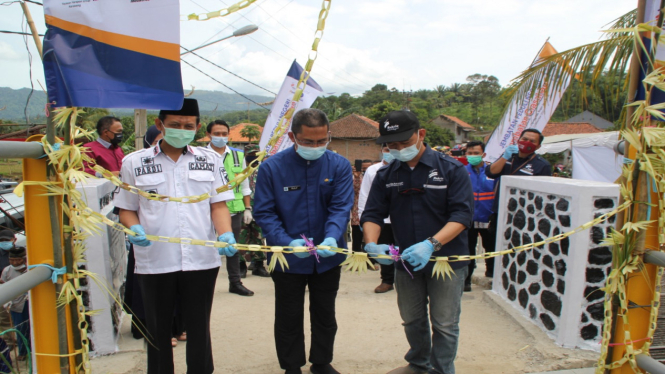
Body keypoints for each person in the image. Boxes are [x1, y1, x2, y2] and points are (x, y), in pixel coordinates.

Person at [115, 98, 236, 374]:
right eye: (175, 125)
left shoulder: (210, 160)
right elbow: (126, 209)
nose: (182, 130)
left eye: (188, 126)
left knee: (199, 328)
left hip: (201, 260)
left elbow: (218, 205)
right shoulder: (134, 162)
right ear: (160, 125)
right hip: (155, 260)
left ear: (197, 128)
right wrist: (134, 228)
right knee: (157, 331)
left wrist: (226, 233)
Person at [361, 110, 473, 374]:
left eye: (404, 143)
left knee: (444, 322)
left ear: (421, 134)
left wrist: (431, 244)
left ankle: (442, 369)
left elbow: (462, 214)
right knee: (412, 318)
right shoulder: (386, 175)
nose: (398, 149)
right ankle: (418, 363)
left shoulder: (451, 169)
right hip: (406, 261)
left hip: (447, 260)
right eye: (392, 145)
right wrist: (371, 243)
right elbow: (372, 213)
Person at [254, 108, 353, 374]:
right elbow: (264, 211)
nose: (316, 147)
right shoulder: (272, 168)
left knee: (325, 312)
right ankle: (291, 366)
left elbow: (341, 207)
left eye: (322, 141)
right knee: (288, 314)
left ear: (328, 136)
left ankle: (321, 362)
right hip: (287, 257)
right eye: (308, 142)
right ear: (293, 137)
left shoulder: (339, 165)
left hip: (328, 255)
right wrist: (285, 241)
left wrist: (332, 237)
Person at [206, 120, 262, 296]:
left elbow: (245, 184)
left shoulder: (238, 156)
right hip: (206, 208)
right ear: (209, 135)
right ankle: (204, 284)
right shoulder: (200, 155)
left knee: (233, 247)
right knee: (204, 246)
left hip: (234, 208)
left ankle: (235, 282)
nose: (221, 137)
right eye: (217, 133)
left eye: (224, 134)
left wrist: (247, 208)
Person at [485, 128, 551, 276]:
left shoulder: (541, 165)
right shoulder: (508, 157)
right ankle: (492, 275)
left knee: (517, 245)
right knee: (493, 244)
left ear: (538, 146)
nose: (527, 143)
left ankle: (514, 274)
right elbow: (490, 172)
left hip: (524, 215)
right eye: (524, 139)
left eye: (532, 141)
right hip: (500, 211)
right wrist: (505, 157)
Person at [358, 144, 396, 293]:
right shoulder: (373, 171)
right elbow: (365, 194)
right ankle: (387, 280)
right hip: (380, 220)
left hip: (400, 220)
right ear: (381, 151)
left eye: (392, 149)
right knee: (384, 251)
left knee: (403, 250)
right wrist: (364, 218)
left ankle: (406, 279)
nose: (389, 152)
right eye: (386, 150)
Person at [463, 141, 496, 291]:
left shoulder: (492, 172)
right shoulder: (462, 171)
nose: (472, 156)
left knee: (491, 248)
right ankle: (466, 280)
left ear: (483, 155)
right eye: (469, 153)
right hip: (468, 219)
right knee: (468, 250)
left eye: (476, 153)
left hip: (488, 218)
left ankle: (491, 275)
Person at [241, 145, 270, 275]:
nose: (253, 158)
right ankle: (241, 265)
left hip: (259, 206)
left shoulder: (263, 170)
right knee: (242, 236)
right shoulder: (240, 170)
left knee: (258, 236)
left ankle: (258, 265)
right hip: (242, 206)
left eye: (256, 155)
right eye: (251, 155)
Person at [0, 247, 30, 361]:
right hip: (15, 306)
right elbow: (4, 288)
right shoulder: (7, 271)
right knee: (21, 329)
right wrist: (7, 303)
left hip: (28, 304)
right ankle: (23, 352)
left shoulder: (30, 269)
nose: (15, 263)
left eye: (18, 260)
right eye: (12, 260)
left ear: (24, 259)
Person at [0, 231, 19, 346]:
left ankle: (23, 342)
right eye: (1, 241)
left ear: (14, 239)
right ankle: (10, 342)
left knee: (20, 316)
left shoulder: (22, 252)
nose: (4, 243)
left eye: (7, 240)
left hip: (19, 288)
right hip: (3, 288)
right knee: (3, 317)